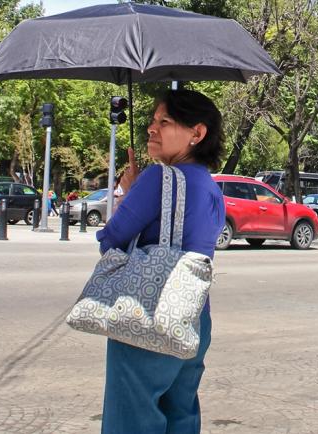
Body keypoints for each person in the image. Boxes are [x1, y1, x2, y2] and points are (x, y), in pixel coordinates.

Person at [95, 89, 226, 433]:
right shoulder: (212, 188)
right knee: (181, 414)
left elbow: (110, 242)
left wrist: (127, 192)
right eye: (153, 121)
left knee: (132, 417)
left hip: (147, 312)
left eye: (165, 121)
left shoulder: (156, 178)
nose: (152, 129)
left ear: (197, 134)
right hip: (194, 316)